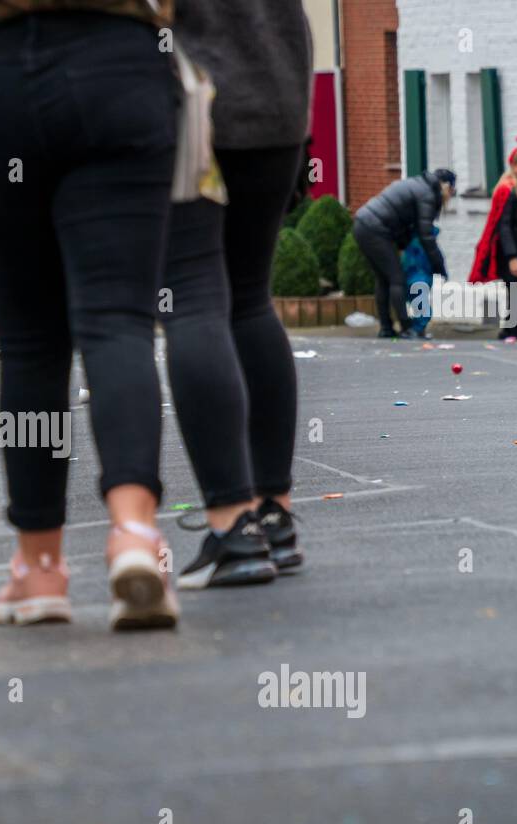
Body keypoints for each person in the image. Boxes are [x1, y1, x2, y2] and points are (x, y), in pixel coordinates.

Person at [0, 2, 181, 629]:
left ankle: (39, 567)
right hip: (120, 58)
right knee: (118, 320)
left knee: (29, 338)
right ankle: (132, 532)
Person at [158, 0, 312, 587]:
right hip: (279, 90)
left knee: (191, 296)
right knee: (250, 296)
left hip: (195, 96)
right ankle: (275, 514)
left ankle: (232, 524)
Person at [353, 169, 456, 339]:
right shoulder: (428, 194)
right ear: (445, 186)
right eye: (452, 191)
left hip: (363, 223)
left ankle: (386, 327)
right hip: (376, 228)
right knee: (396, 278)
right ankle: (407, 327)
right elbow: (426, 235)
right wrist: (438, 264)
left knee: (384, 279)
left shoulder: (419, 184)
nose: (451, 196)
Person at [469, 147, 517, 340]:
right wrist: (512, 257)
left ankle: (509, 328)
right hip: (513, 249)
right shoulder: (508, 190)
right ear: (514, 166)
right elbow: (503, 225)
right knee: (514, 288)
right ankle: (512, 329)